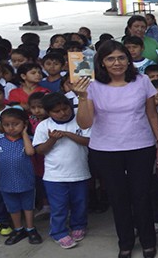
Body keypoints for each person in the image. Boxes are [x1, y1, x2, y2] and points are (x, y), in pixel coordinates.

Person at [75, 40, 158, 258]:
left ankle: (148, 241)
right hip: (105, 150)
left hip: (140, 146)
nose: (117, 63)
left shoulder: (142, 81)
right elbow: (85, 123)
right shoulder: (91, 86)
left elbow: (152, 114)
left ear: (128, 59)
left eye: (121, 57)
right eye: (110, 59)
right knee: (118, 197)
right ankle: (125, 241)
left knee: (141, 195)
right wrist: (82, 97)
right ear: (102, 62)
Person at [32, 93, 91, 249]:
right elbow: (40, 150)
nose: (62, 113)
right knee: (58, 206)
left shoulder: (81, 121)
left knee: (80, 203)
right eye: (56, 111)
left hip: (80, 172)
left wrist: (68, 134)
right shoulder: (44, 126)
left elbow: (89, 141)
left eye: (65, 109)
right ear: (48, 112)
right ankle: (59, 232)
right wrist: (52, 139)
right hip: (54, 176)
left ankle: (78, 225)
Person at [0, 108, 42, 245]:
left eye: (16, 124)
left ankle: (30, 228)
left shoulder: (28, 140)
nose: (11, 128)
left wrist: (24, 134)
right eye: (6, 125)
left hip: (26, 181)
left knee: (28, 206)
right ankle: (18, 229)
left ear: (24, 124)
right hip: (6, 182)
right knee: (13, 207)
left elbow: (30, 152)